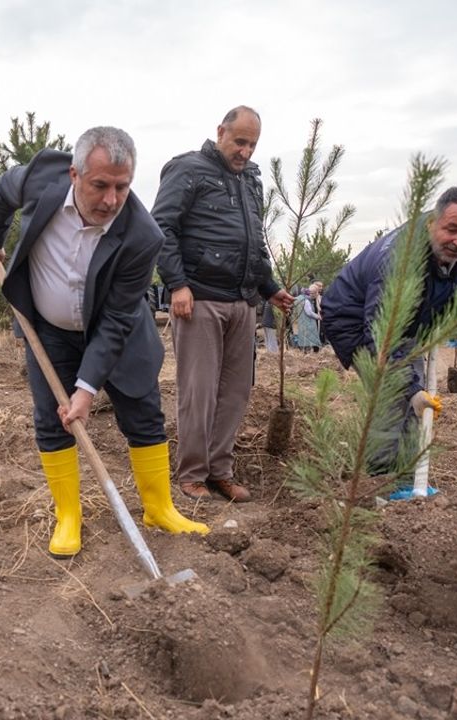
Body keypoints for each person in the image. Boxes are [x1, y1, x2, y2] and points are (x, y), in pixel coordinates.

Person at [0, 126, 208, 557]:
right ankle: (68, 515)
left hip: (117, 331)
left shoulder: (143, 235)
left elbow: (117, 319)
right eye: (100, 185)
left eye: (122, 186)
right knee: (51, 420)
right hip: (49, 331)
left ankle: (159, 509)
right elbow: (3, 192)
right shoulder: (40, 177)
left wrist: (85, 391)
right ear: (74, 174)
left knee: (143, 412)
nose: (111, 200)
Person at [153, 106, 294, 503]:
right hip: (199, 299)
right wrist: (177, 285)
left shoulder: (250, 180)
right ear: (221, 132)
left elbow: (255, 241)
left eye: (252, 145)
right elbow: (161, 227)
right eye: (239, 142)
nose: (245, 152)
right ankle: (192, 473)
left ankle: (220, 471)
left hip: (242, 301)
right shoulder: (188, 170)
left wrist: (269, 288)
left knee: (236, 391)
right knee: (198, 390)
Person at [322, 187, 457, 477]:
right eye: (452, 229)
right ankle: (379, 476)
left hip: (405, 323)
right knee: (392, 394)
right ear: (432, 222)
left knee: (413, 393)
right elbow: (381, 335)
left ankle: (406, 472)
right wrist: (411, 390)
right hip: (354, 320)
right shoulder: (400, 260)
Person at [292, 281, 323, 352]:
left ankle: (303, 351)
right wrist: (318, 317)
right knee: (308, 340)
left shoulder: (299, 298)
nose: (317, 295)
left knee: (300, 339)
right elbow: (309, 313)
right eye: (317, 293)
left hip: (298, 321)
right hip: (307, 323)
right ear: (313, 293)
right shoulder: (306, 300)